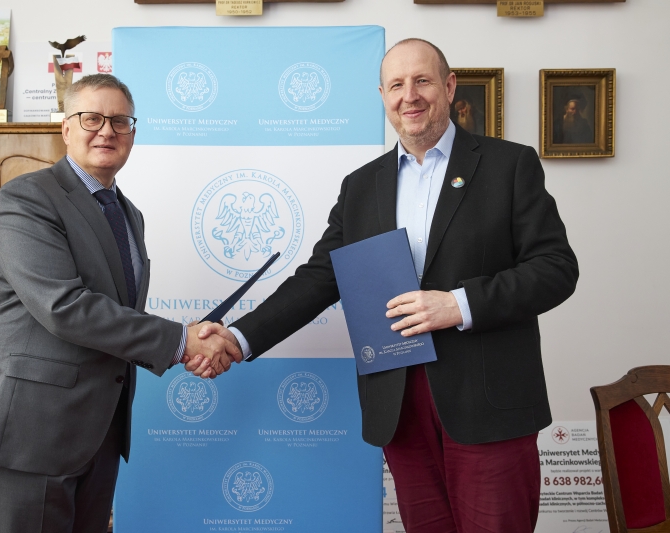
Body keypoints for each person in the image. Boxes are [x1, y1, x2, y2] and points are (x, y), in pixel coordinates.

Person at [191, 38, 578, 533]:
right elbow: (320, 277)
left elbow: (556, 267)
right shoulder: (361, 185)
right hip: (399, 403)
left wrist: (458, 304)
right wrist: (238, 337)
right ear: (382, 96)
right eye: (396, 85)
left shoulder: (509, 165)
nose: (408, 96)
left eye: (422, 81)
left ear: (449, 87)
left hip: (488, 403)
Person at [0, 74, 241, 533]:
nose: (107, 131)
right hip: (32, 432)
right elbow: (65, 307)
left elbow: (115, 311)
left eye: (120, 121)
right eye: (91, 118)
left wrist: (186, 337)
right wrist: (180, 341)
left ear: (132, 133)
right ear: (66, 128)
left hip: (99, 431)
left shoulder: (129, 214)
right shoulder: (26, 198)